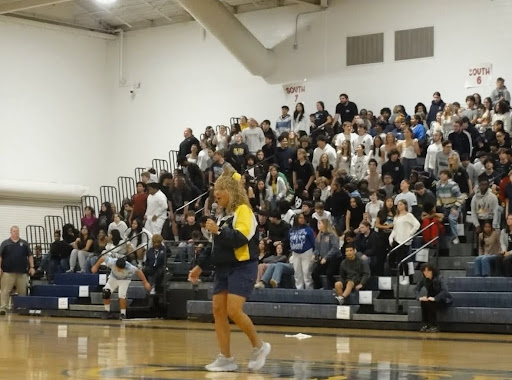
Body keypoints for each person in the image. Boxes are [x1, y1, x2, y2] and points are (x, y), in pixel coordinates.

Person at [188, 170, 271, 373]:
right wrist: (199, 266)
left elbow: (240, 238)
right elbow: (214, 246)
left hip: (242, 266)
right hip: (223, 267)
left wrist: (218, 230)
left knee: (234, 310)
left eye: (220, 190)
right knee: (218, 311)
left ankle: (259, 347)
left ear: (231, 191)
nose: (216, 194)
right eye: (215, 190)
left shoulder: (244, 211)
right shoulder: (222, 214)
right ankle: (226, 358)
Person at [0, 226, 36, 315]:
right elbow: (0, 257)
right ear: (11, 232)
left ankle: (22, 307)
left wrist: (32, 267)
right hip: (7, 272)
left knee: (22, 291)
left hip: (22, 272)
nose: (16, 233)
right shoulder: (5, 243)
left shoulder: (24, 243)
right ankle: (3, 308)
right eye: (14, 231)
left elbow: (30, 256)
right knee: (5, 291)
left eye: (17, 231)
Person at [388, 200, 420, 284]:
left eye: (401, 204)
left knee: (404, 260)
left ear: (405, 205)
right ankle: (400, 276)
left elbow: (417, 224)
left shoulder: (409, 215)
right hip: (397, 240)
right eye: (398, 205)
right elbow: (395, 229)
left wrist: (410, 233)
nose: (399, 206)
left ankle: (406, 277)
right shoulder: (396, 217)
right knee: (398, 260)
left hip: (405, 240)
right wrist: (391, 237)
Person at [415, 263, 452, 333]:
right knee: (423, 302)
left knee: (431, 303)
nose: (426, 273)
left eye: (428, 271)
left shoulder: (439, 278)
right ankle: (426, 324)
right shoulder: (423, 279)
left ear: (432, 271)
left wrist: (435, 298)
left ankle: (434, 325)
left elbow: (445, 291)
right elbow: (416, 289)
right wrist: (419, 297)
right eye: (424, 271)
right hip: (431, 298)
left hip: (442, 299)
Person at [311, 218, 340, 289]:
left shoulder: (332, 235)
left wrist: (326, 257)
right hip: (323, 259)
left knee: (329, 273)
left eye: (320, 223)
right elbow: (317, 248)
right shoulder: (319, 236)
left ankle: (334, 287)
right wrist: (315, 254)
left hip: (334, 259)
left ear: (325, 225)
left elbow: (335, 248)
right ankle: (319, 288)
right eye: (318, 223)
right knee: (314, 273)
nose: (318, 225)